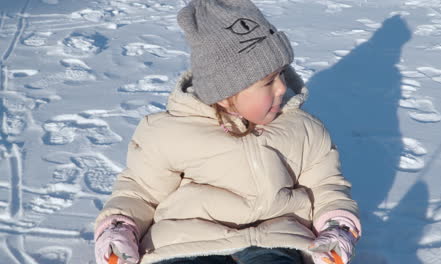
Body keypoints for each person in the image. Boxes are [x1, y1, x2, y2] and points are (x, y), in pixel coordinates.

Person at [94, 0, 361, 263]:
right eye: (268, 82)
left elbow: (325, 185)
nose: (282, 87)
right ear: (224, 93)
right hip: (188, 242)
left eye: (281, 74)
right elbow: (141, 191)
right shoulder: (170, 132)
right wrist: (120, 228)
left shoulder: (303, 129)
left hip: (275, 239)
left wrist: (336, 225)